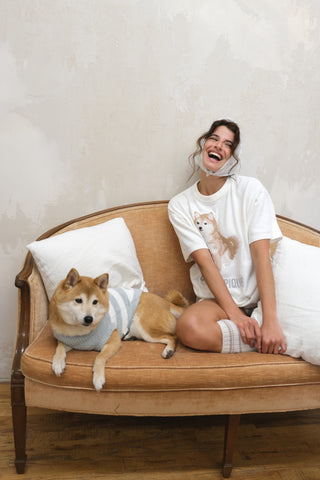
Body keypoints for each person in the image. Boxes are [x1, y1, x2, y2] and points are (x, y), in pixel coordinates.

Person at [168, 119, 286, 355]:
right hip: (217, 304)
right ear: (203, 145)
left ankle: (267, 331)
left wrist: (270, 320)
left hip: (256, 301)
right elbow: (205, 262)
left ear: (232, 157)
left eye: (227, 144)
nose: (219, 145)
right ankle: (259, 340)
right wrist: (235, 315)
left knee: (275, 321)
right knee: (188, 327)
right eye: (214, 138)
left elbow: (261, 255)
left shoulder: (251, 190)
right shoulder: (180, 205)